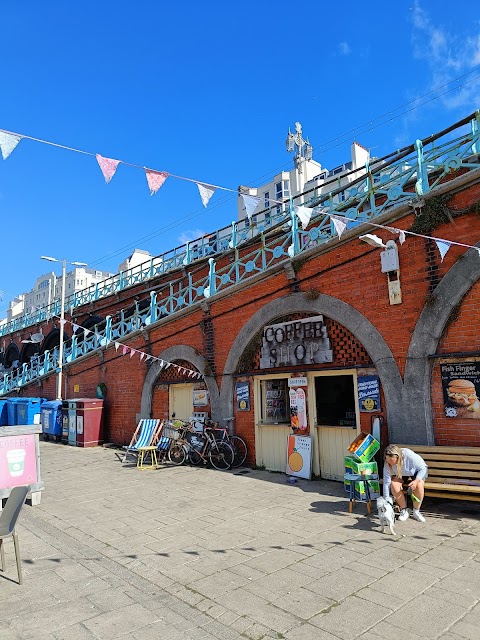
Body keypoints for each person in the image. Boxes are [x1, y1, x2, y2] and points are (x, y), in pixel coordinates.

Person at [383, 445, 428, 523]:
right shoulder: (387, 463)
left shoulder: (410, 456)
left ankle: (416, 511)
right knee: (394, 485)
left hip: (416, 472)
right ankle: (404, 509)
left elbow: (423, 468)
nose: (389, 462)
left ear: (398, 457)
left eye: (391, 460)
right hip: (400, 473)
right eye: (387, 460)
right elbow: (387, 482)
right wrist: (386, 499)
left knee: (419, 486)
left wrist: (416, 480)